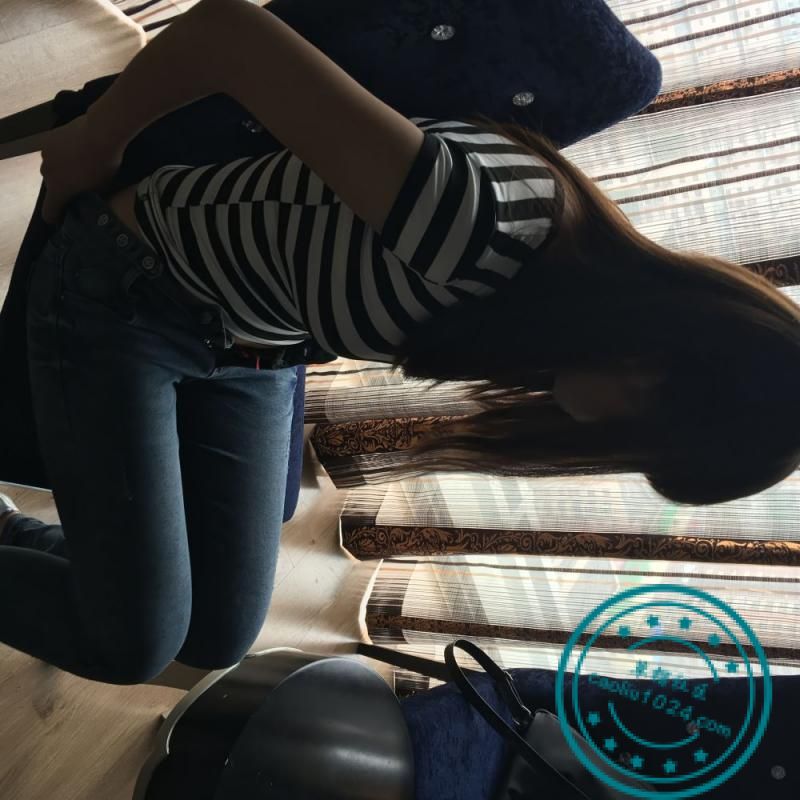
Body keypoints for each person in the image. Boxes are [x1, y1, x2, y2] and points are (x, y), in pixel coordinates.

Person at [1, 0, 798, 685]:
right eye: (634, 443)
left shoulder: (558, 297)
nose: (601, 446)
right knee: (131, 645)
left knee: (215, 638)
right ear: (656, 367)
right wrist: (93, 141)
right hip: (128, 289)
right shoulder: (472, 227)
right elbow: (228, 35)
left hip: (252, 341)